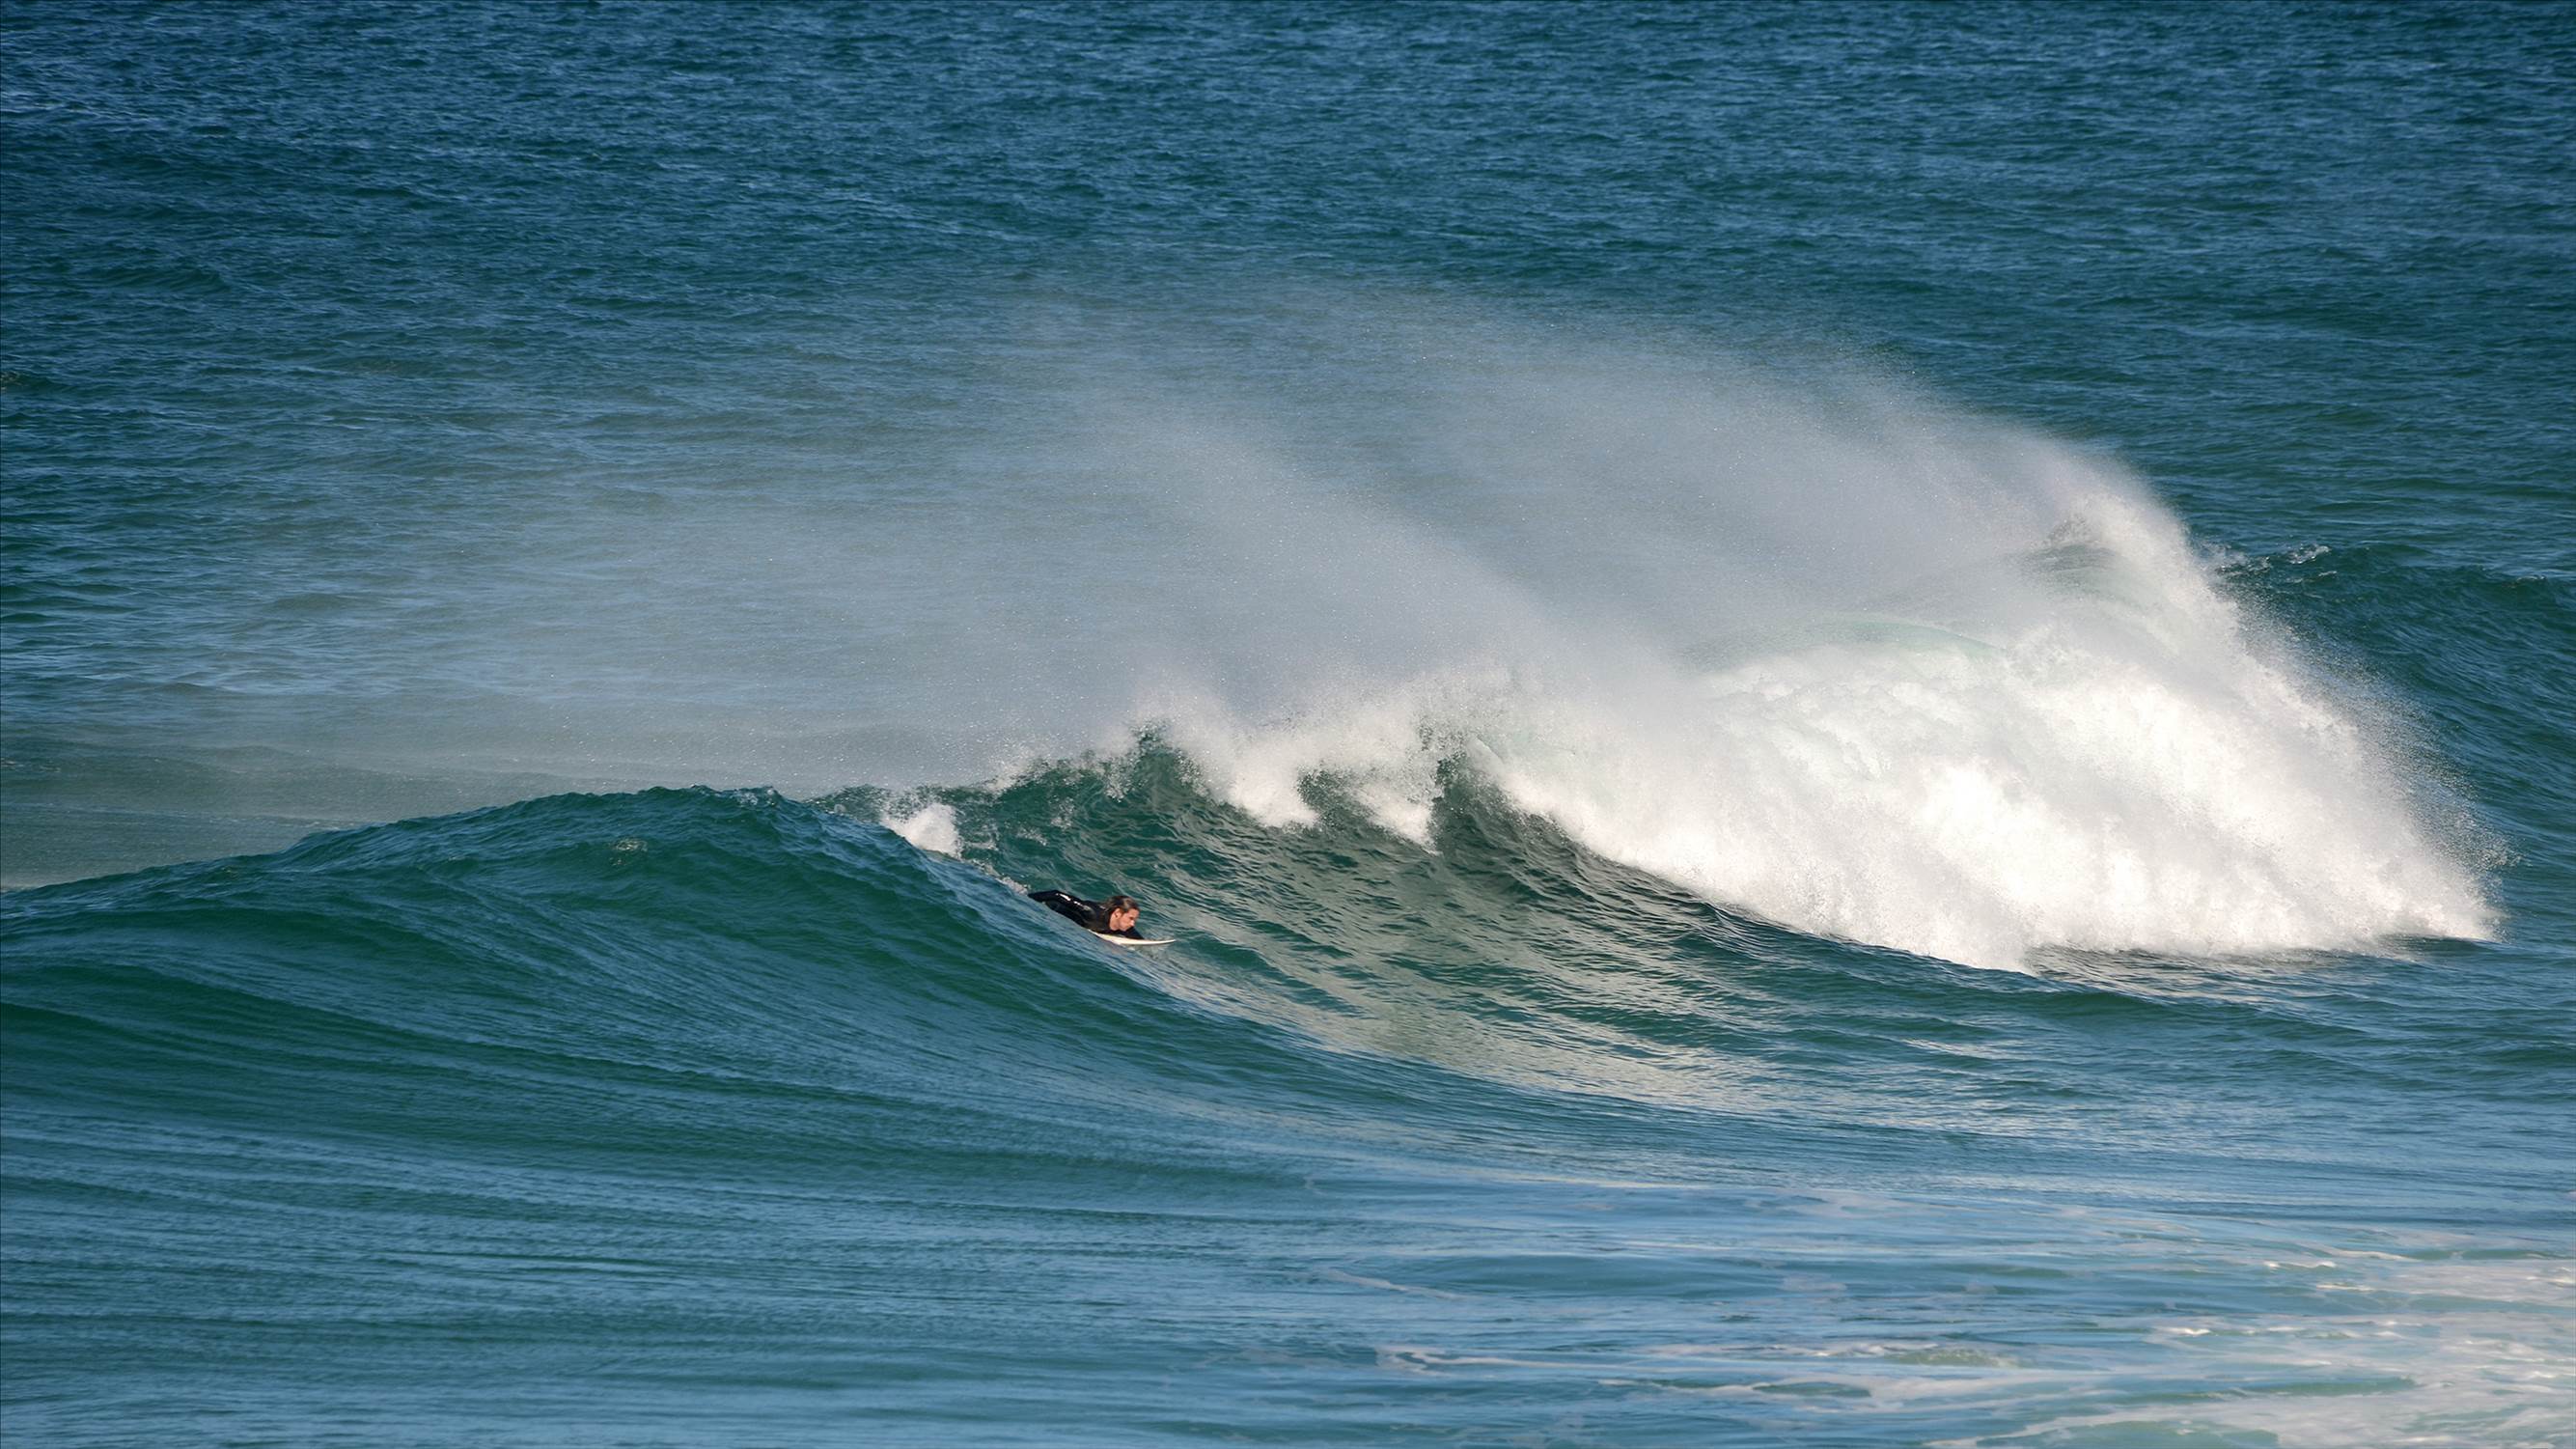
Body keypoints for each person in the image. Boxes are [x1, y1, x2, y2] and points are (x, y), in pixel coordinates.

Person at [1028, 889, 1143, 938]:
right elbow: (1056, 894)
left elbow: (1141, 943)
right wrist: (1027, 899)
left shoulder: (1125, 927)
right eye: (1130, 918)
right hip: (1053, 909)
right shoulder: (1091, 912)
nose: (1132, 924)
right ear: (1118, 913)